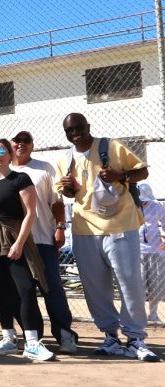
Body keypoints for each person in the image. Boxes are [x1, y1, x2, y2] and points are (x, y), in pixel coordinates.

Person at [54, 112, 159, 361]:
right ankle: (110, 337)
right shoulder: (65, 158)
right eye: (69, 130)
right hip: (84, 230)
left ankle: (135, 339)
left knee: (130, 283)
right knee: (95, 288)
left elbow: (141, 172)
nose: (75, 133)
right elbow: (68, 194)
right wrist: (68, 188)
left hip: (120, 225)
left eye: (79, 127)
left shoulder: (111, 146)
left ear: (88, 126)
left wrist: (119, 176)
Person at [0, 139, 55, 361]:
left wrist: (19, 243)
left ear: (9, 155)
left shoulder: (20, 178)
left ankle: (32, 342)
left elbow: (30, 213)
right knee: (0, 290)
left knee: (25, 288)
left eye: (1, 151)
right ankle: (8, 338)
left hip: (15, 240)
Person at [9, 129, 77, 352]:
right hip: (15, 242)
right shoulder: (2, 169)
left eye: (26, 140)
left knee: (52, 288)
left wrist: (60, 227)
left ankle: (64, 333)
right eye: (17, 140)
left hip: (42, 238)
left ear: (32, 144)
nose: (21, 144)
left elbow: (56, 202)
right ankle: (33, 336)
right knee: (23, 291)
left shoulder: (44, 168)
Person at [137, 183, 165, 322]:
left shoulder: (157, 205)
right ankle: (140, 315)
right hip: (137, 250)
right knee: (139, 284)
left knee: (156, 283)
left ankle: (153, 314)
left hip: (156, 249)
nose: (143, 201)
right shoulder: (131, 206)